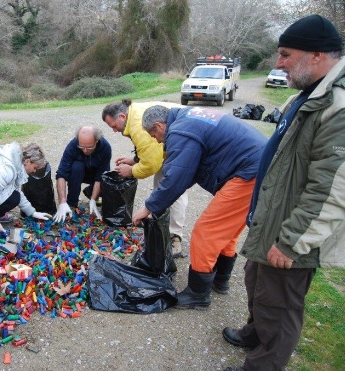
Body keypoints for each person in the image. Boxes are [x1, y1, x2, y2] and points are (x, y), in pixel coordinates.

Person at [222, 15, 345, 371]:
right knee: (256, 281)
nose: (277, 64)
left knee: (280, 303)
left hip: (294, 230)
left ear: (318, 55)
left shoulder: (336, 108)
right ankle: (254, 333)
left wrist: (292, 241)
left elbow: (332, 189)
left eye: (286, 55)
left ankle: (263, 364)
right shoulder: (304, 97)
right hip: (272, 220)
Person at [132, 105, 267, 310]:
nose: (157, 140)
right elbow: (188, 172)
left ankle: (198, 293)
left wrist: (148, 207)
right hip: (259, 166)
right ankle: (220, 280)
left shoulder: (180, 131)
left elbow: (177, 178)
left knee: (206, 231)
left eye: (153, 134)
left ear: (160, 125)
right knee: (227, 231)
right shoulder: (188, 118)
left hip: (249, 172)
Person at [102, 99, 189, 257]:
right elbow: (152, 149)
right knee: (161, 187)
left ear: (122, 116)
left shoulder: (137, 127)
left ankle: (174, 237)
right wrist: (134, 161)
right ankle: (160, 227)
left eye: (113, 126)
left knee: (174, 188)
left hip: (185, 141)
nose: (114, 131)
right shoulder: (133, 114)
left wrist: (131, 171)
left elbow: (151, 165)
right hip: (173, 143)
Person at [53, 126, 112, 222]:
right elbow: (61, 173)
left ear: (96, 141)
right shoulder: (73, 145)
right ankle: (71, 204)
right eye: (82, 147)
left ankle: (92, 194)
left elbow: (101, 176)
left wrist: (93, 199)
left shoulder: (105, 147)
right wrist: (62, 202)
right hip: (79, 173)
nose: (85, 150)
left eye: (89, 147)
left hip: (95, 174)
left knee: (107, 180)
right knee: (76, 167)